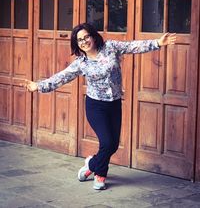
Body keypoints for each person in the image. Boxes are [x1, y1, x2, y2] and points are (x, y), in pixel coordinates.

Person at [22, 23, 176, 190]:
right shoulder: (81, 63)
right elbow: (62, 77)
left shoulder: (110, 47)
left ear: (93, 36)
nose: (84, 41)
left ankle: (91, 165)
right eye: (79, 40)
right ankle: (100, 175)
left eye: (86, 37)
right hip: (96, 106)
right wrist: (38, 86)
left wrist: (158, 43)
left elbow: (133, 46)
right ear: (77, 44)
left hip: (114, 103)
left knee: (114, 145)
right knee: (107, 142)